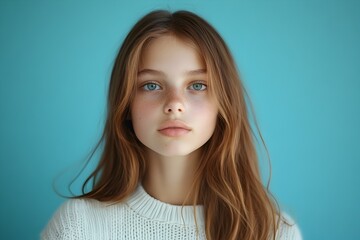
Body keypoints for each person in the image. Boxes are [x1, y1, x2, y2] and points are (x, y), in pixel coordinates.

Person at [41, 9, 302, 240]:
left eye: (197, 85)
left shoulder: (274, 232)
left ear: (224, 104)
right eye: (151, 85)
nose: (174, 104)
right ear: (126, 104)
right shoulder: (78, 227)